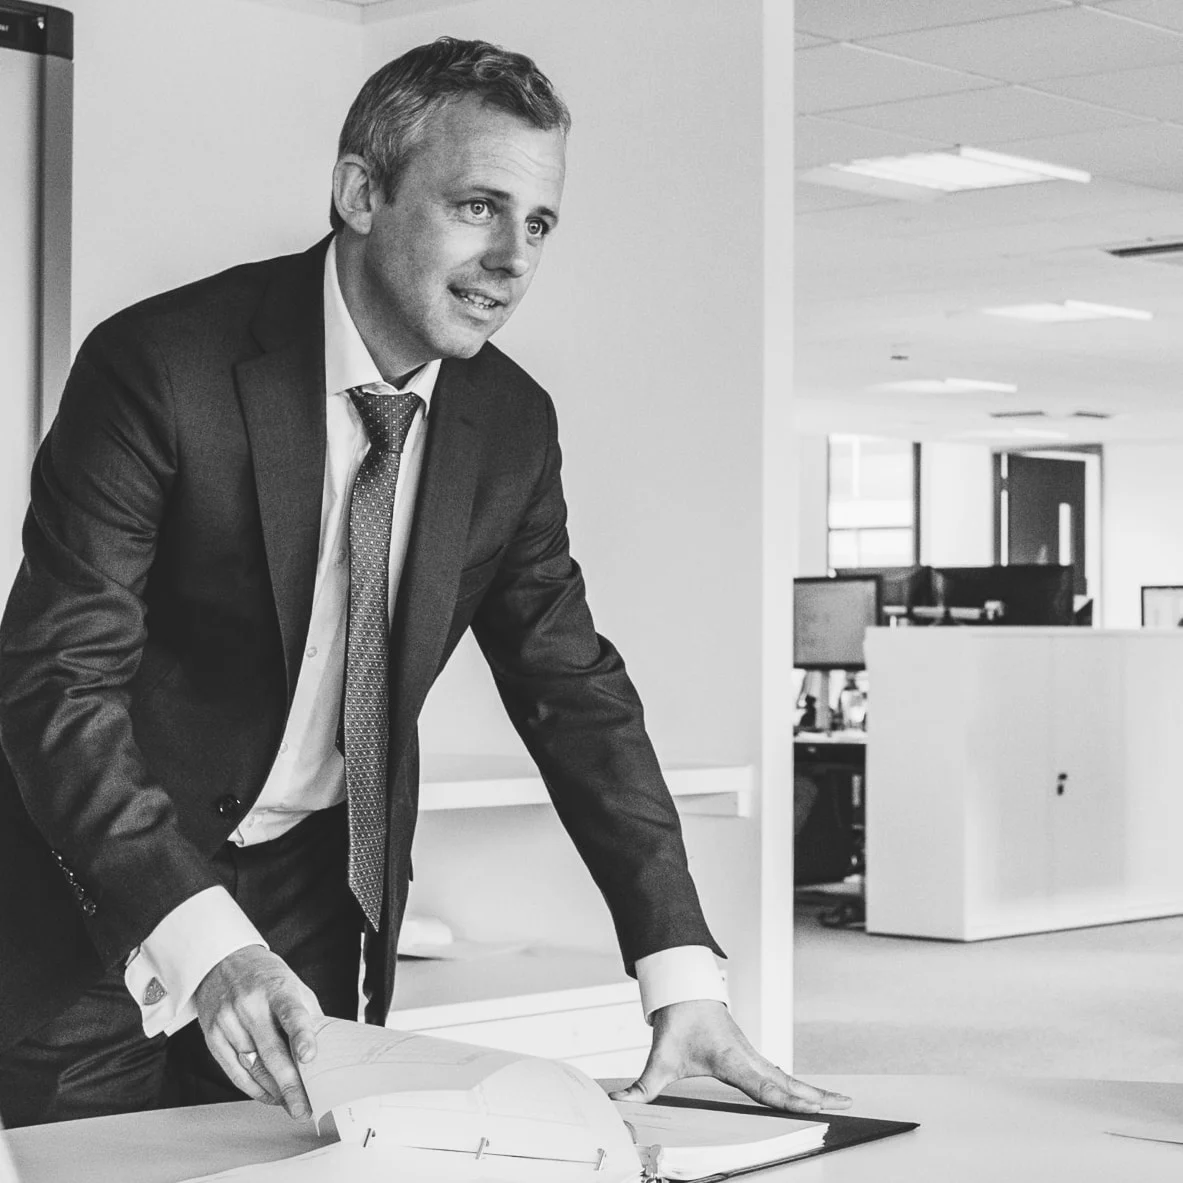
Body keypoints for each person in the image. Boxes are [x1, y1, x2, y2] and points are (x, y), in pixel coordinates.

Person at [0, 37, 850, 1128]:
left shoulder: (509, 424)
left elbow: (571, 685)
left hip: (312, 899)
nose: (512, 259)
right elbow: (56, 678)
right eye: (477, 207)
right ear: (361, 190)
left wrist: (678, 964)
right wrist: (203, 938)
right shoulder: (163, 365)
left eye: (537, 223)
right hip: (100, 894)